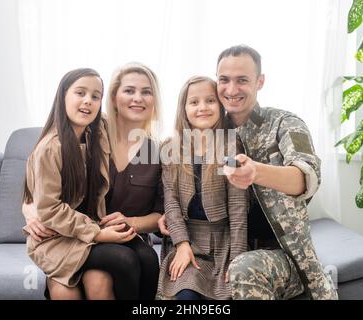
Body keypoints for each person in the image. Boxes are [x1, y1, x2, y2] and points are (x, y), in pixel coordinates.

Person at [158, 45, 338, 300]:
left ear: (259, 81)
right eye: (224, 80)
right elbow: (178, 189)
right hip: (219, 248)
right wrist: (164, 218)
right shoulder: (209, 132)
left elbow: (306, 178)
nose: (231, 90)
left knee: (243, 269)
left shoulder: (284, 123)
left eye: (242, 80)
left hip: (278, 253)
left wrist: (256, 173)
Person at [23, 63, 164, 300]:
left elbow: (161, 214)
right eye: (129, 90)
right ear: (114, 96)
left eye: (146, 92)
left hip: (119, 237)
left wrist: (130, 222)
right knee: (91, 280)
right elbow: (37, 183)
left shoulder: (157, 151)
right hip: (75, 235)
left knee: (148, 260)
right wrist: (31, 211)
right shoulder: (93, 131)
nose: (137, 99)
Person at [157, 76, 248, 300]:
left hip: (224, 244)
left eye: (210, 101)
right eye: (194, 102)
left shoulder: (231, 145)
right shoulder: (170, 148)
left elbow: (238, 210)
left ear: (220, 105)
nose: (202, 108)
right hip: (187, 241)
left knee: (228, 294)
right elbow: (171, 201)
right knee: (186, 295)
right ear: (184, 108)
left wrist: (237, 259)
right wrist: (181, 244)